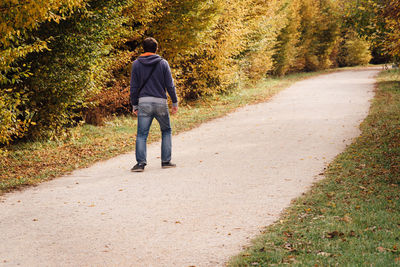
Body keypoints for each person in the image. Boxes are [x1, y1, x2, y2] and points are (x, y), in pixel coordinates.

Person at [130, 37, 178, 172]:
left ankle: (140, 164)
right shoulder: (163, 63)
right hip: (160, 102)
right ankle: (166, 161)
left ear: (143, 49)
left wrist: (135, 105)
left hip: (144, 103)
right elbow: (170, 85)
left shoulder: (136, 64)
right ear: (156, 49)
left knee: (141, 134)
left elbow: (133, 87)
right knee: (166, 130)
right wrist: (174, 102)